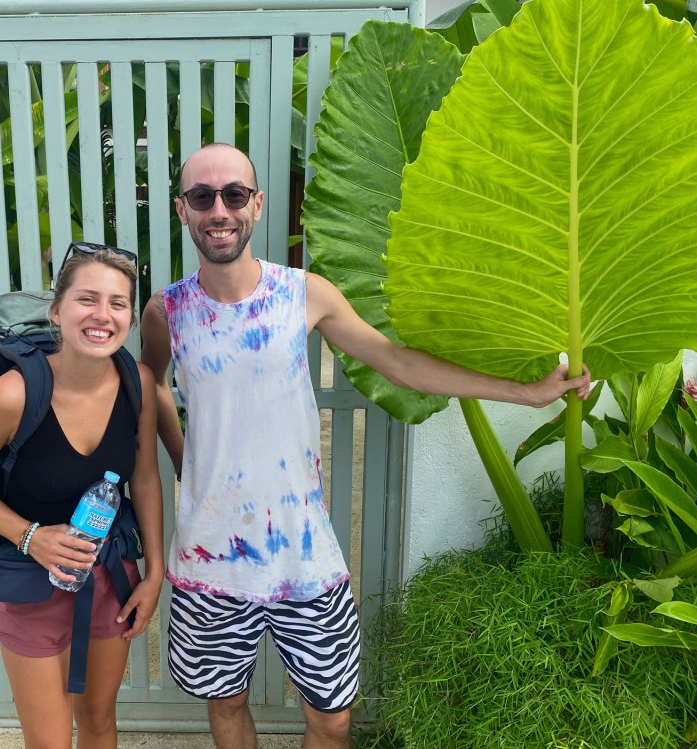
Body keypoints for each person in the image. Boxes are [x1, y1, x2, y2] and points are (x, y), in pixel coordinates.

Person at [140, 143, 591, 749]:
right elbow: (151, 386)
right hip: (210, 557)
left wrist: (526, 394)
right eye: (202, 197)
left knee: (333, 719)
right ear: (183, 210)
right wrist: (182, 459)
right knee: (226, 707)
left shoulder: (304, 294)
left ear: (257, 203)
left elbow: (394, 361)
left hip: (305, 555)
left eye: (234, 195)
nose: (219, 209)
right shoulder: (166, 311)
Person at [0, 243, 164, 749]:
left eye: (118, 302)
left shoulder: (138, 383)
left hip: (109, 577)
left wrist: (153, 574)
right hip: (29, 585)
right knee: (50, 742)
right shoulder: (14, 395)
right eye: (87, 299)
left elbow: (146, 478)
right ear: (57, 311)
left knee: (100, 723)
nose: (102, 315)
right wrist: (31, 538)